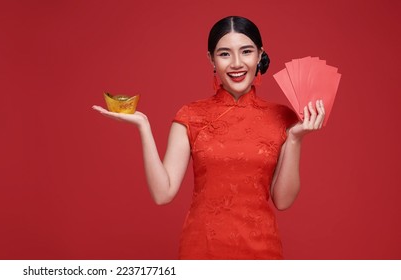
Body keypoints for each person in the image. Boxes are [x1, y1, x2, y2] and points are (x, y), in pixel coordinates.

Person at [92, 16, 325, 259]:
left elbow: (283, 201)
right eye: (224, 54)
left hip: (262, 253)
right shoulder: (190, 115)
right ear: (211, 59)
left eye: (246, 51)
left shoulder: (282, 117)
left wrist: (296, 139)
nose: (236, 63)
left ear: (259, 55)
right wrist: (144, 127)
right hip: (202, 251)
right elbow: (163, 193)